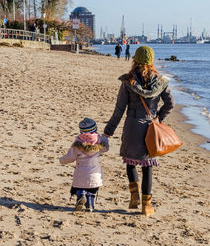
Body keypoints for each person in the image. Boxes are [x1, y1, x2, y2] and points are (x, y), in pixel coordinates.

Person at [104, 45, 175, 216]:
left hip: (132, 126)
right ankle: (146, 206)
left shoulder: (128, 81)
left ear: (135, 59)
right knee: (148, 167)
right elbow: (170, 104)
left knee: (130, 162)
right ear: (151, 61)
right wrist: (159, 118)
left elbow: (119, 109)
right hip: (150, 127)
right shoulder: (160, 81)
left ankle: (134, 196)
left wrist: (108, 131)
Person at [60, 118, 109, 212]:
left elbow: (70, 157)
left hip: (81, 173)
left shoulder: (77, 144)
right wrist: (105, 138)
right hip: (95, 173)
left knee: (79, 187)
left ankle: (81, 195)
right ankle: (90, 204)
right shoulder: (99, 142)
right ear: (95, 129)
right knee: (92, 190)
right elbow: (106, 148)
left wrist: (62, 160)